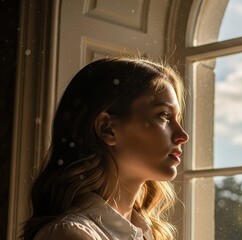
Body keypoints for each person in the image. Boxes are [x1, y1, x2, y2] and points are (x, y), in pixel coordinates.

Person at [21, 57, 189, 240]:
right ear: (107, 128)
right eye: (163, 115)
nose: (182, 135)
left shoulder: (150, 234)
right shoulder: (70, 234)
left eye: (177, 119)